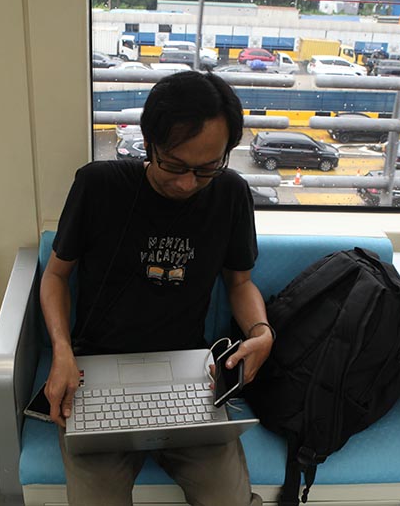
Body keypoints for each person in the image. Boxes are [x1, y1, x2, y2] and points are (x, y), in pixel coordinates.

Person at [40, 71, 274, 506]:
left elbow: (239, 282)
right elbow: (55, 276)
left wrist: (262, 331)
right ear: (149, 144)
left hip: (191, 372)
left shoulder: (231, 195)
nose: (187, 183)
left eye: (207, 168)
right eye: (174, 164)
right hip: (96, 371)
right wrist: (62, 351)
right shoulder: (98, 185)